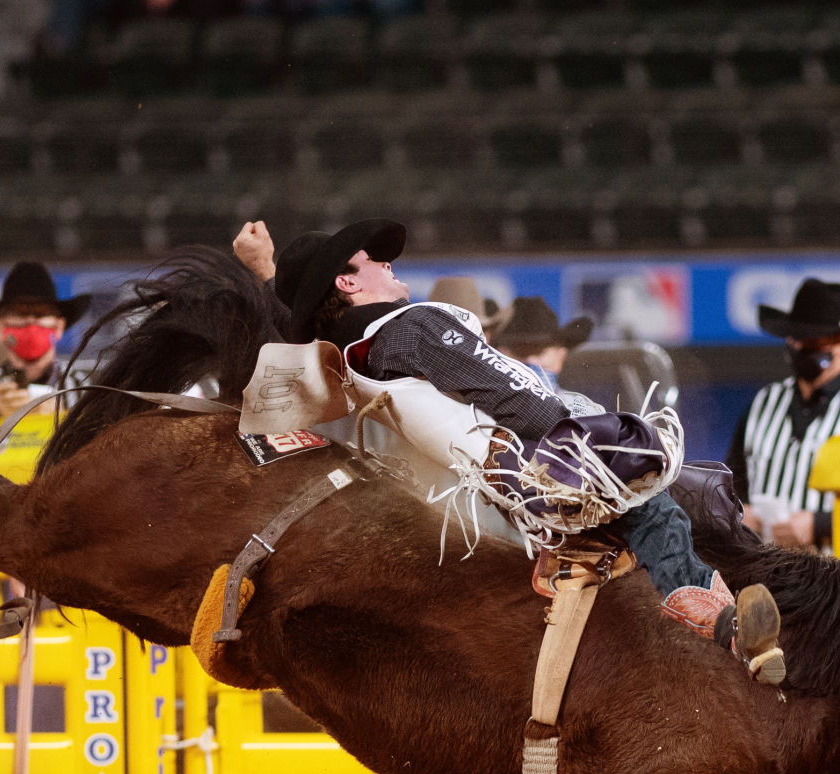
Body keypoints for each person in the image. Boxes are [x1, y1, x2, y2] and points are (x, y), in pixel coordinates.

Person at [269, 217, 783, 683]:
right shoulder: (412, 327)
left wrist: (266, 279)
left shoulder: (345, 366)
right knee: (667, 501)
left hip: (459, 508)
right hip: (530, 478)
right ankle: (717, 620)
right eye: (372, 260)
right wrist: (585, 439)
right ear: (347, 282)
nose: (387, 263)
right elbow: (509, 390)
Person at [726, 279, 840, 553]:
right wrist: (740, 512)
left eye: (814, 341)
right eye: (797, 338)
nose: (803, 348)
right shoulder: (762, 403)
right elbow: (729, 484)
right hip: (762, 570)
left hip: (837, 580)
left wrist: (821, 525)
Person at [0, 261, 92, 470]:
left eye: (41, 313)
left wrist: (60, 418)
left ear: (59, 326)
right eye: (19, 313)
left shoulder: (86, 387)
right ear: (0, 327)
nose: (31, 322)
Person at [490, 295, 596, 413]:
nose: (530, 361)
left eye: (539, 352)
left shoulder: (585, 414)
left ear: (560, 357)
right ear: (499, 354)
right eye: (520, 352)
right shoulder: (482, 411)